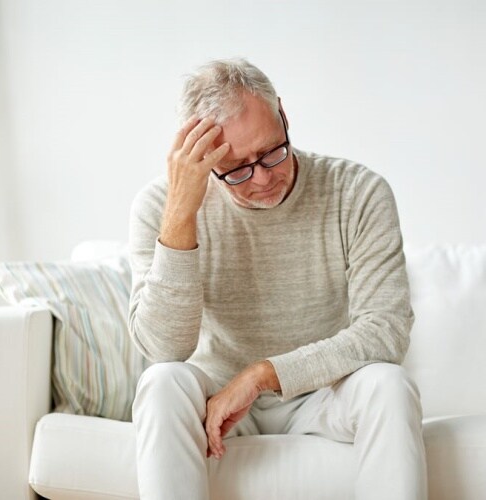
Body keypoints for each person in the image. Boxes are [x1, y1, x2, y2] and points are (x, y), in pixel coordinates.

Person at [128, 58, 427, 500]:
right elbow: (164, 350)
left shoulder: (359, 192)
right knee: (161, 382)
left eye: (272, 151)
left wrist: (263, 375)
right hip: (215, 403)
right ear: (203, 161)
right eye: (236, 169)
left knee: (389, 384)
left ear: (284, 116)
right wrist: (180, 218)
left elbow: (385, 330)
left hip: (324, 396)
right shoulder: (161, 207)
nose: (264, 178)